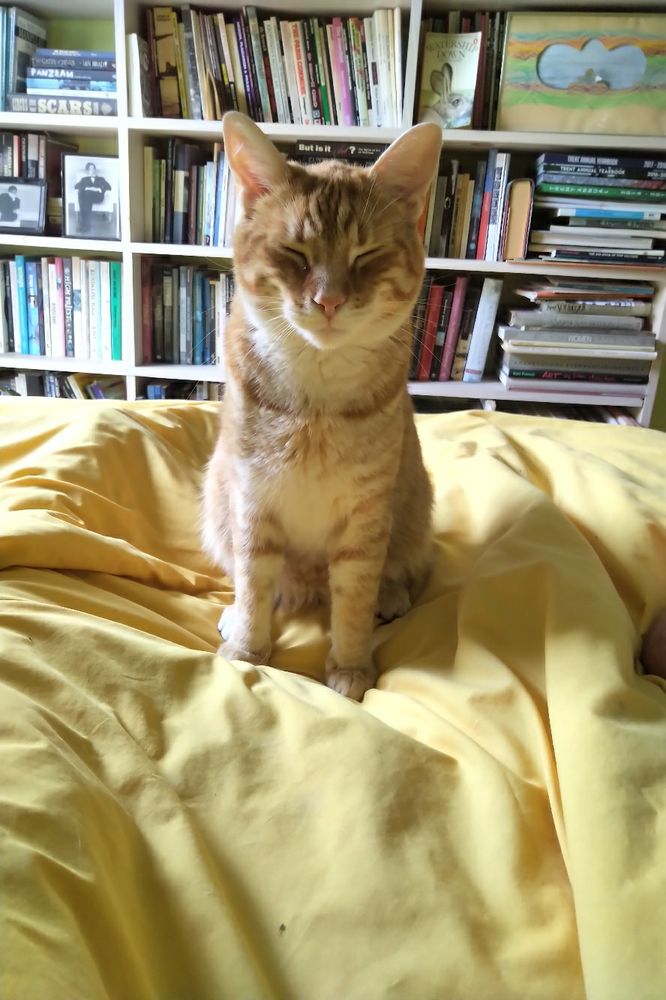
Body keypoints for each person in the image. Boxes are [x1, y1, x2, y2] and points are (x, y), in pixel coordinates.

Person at [74, 163, 111, 234]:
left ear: (95, 170)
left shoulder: (101, 179)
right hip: (87, 198)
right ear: (87, 171)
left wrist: (99, 189)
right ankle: (85, 226)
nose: (92, 170)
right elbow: (76, 186)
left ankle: (84, 225)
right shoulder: (84, 179)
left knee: (85, 195)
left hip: (98, 197)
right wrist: (88, 188)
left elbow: (109, 187)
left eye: (93, 168)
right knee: (85, 194)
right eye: (90, 169)